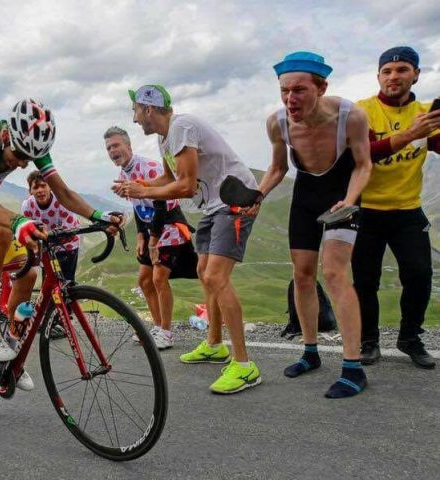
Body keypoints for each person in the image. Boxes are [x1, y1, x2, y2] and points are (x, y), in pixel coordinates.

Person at [0, 98, 120, 393]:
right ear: (7, 135)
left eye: (28, 158)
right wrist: (19, 221)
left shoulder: (33, 148)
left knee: (29, 271)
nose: (22, 163)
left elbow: (63, 192)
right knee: (0, 232)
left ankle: (7, 350)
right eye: (19, 154)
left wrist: (98, 215)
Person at [118, 85, 261, 394]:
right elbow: (169, 178)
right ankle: (214, 344)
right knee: (203, 273)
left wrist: (144, 192)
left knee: (216, 277)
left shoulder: (182, 127)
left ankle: (244, 365)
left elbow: (183, 186)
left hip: (233, 201)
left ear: (149, 109)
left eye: (136, 111)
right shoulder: (164, 137)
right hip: (213, 205)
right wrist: (139, 185)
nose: (134, 119)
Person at [254, 51, 372, 398]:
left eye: (299, 90)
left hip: (342, 193)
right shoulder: (277, 123)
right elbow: (278, 169)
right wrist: (256, 198)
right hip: (306, 194)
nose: (290, 99)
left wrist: (350, 201)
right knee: (302, 275)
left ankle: (353, 367)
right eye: (284, 91)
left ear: (321, 87)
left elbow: (364, 165)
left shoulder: (351, 116)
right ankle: (310, 352)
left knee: (335, 273)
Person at [353, 46, 440, 369]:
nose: (394, 77)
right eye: (387, 71)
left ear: (416, 74)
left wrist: (427, 132)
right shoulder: (363, 111)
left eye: (402, 69)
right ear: (378, 76)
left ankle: (409, 338)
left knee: (419, 275)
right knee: (364, 280)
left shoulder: (425, 112)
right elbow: (363, 154)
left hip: (407, 210)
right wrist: (409, 135)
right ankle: (368, 341)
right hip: (367, 209)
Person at [106, 126, 193, 350]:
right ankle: (156, 327)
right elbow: (138, 207)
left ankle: (166, 332)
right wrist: (141, 238)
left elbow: (161, 203)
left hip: (170, 224)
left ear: (128, 146)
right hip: (151, 227)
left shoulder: (149, 168)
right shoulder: (122, 175)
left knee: (158, 278)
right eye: (109, 148)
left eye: (116, 145)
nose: (113, 150)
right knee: (144, 280)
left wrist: (153, 240)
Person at [21, 171, 80, 282]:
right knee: (49, 281)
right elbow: (28, 228)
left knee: (67, 282)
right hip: (45, 245)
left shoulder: (63, 202)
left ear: (50, 187)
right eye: (35, 187)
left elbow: (70, 231)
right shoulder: (27, 206)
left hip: (68, 245)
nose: (40, 190)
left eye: (43, 186)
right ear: (30, 191)